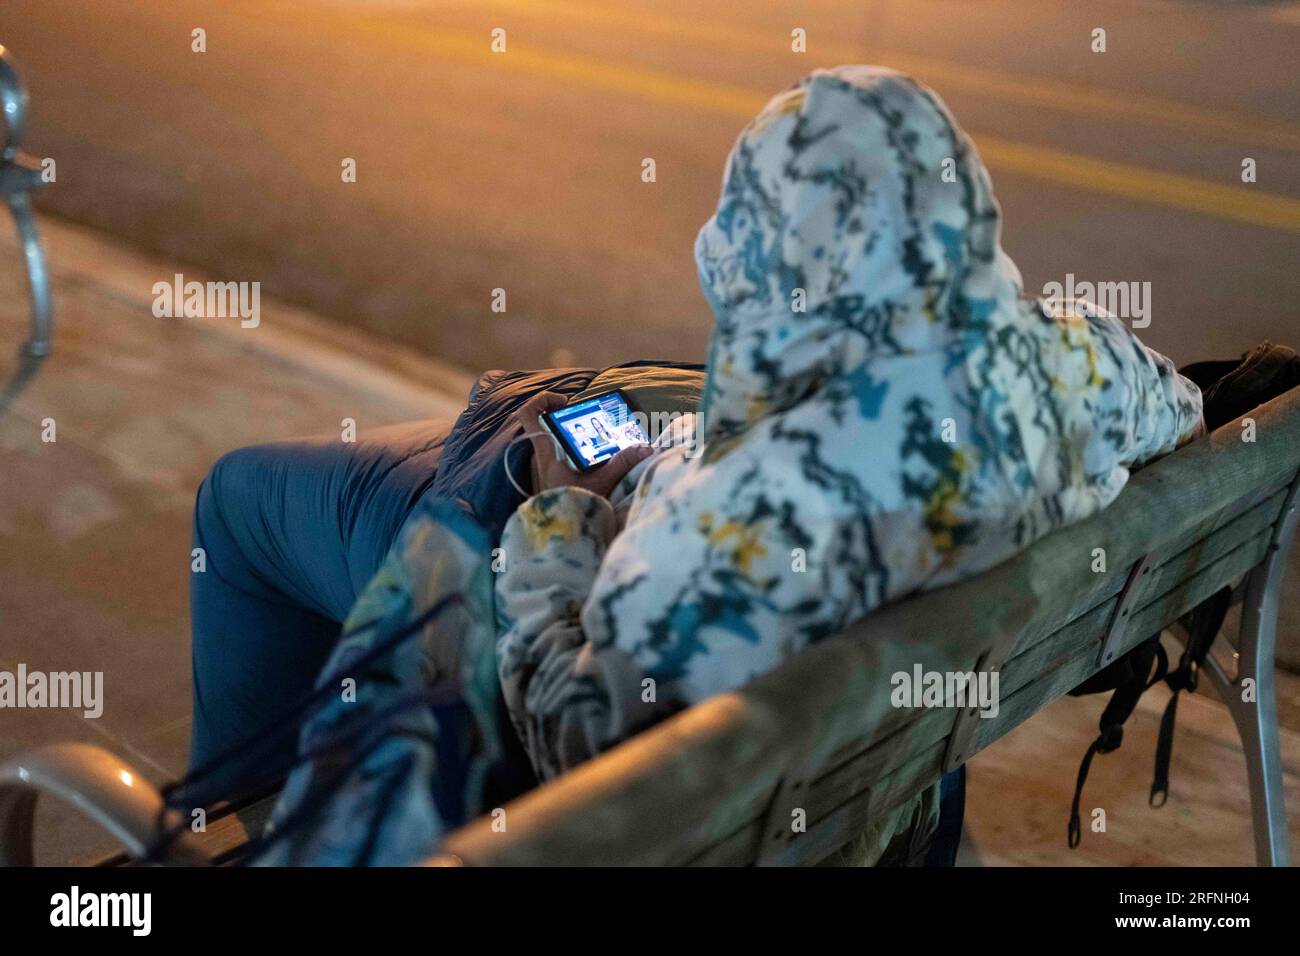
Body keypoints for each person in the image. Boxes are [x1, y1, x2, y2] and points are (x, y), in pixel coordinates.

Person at [189, 67, 1202, 862]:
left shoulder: (749, 527)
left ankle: (236, 824)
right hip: (880, 724)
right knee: (551, 408)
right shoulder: (1082, 365)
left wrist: (556, 515)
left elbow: (575, 730)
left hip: (594, 572)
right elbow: (1182, 407)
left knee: (240, 500)